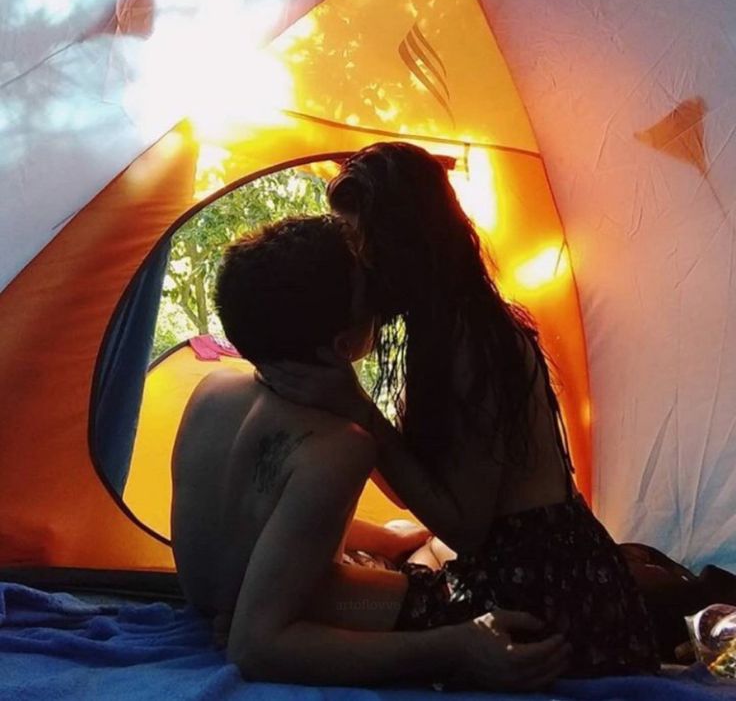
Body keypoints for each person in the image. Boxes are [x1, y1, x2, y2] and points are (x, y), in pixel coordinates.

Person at [258, 143, 660, 677]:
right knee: (320, 594)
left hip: (544, 595)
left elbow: (465, 528)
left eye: (359, 241)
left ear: (404, 243)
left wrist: (359, 410)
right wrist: (352, 414)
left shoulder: (472, 341)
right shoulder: (440, 330)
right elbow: (429, 492)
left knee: (319, 604)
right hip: (520, 571)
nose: (353, 264)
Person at [170, 215, 570, 689]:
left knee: (404, 533)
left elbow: (266, 517)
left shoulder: (212, 390)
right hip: (299, 608)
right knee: (458, 573)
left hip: (220, 596)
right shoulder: (337, 446)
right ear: (344, 344)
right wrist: (455, 646)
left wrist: (387, 542)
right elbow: (254, 645)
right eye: (373, 299)